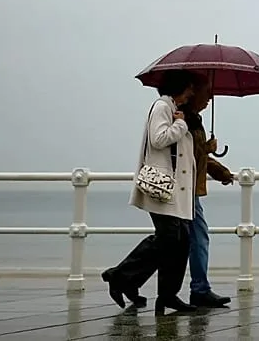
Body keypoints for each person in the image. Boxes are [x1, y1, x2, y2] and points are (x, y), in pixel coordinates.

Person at [101, 70, 202, 315]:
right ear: (180, 86)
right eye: (190, 88)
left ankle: (159, 291)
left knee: (180, 241)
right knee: (169, 239)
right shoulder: (162, 107)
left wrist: (190, 128)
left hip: (177, 193)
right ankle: (123, 277)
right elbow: (159, 139)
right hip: (162, 188)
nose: (192, 93)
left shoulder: (177, 111)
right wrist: (180, 124)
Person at [183, 103, 236, 307]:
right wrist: (208, 148)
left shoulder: (193, 119)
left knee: (178, 239)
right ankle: (199, 290)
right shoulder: (184, 119)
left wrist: (219, 171)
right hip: (184, 188)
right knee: (196, 238)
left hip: (189, 189)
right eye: (205, 92)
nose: (207, 100)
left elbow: (198, 157)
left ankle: (124, 275)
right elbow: (188, 156)